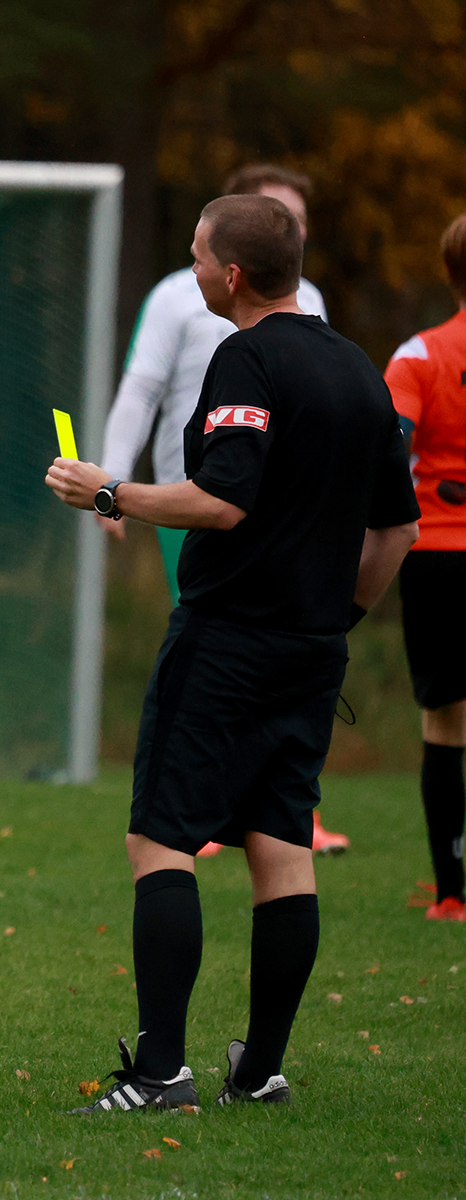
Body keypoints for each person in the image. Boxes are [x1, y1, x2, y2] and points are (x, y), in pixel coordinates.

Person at [46, 193, 419, 1111]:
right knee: (283, 849)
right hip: (311, 651)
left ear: (235, 275)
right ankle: (260, 1072)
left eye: (199, 256)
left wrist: (111, 493)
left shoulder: (244, 356)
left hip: (227, 640)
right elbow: (397, 526)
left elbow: (223, 501)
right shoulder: (357, 368)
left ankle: (163, 1071)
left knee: (162, 840)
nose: (195, 269)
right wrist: (341, 617)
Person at [102, 164, 350, 857]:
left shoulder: (313, 307)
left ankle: (285, 812)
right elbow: (142, 387)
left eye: (297, 218)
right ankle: (204, 812)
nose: (289, 228)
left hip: (290, 519)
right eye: (277, 213)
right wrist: (113, 481)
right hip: (198, 500)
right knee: (218, 651)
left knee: (280, 657)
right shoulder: (180, 297)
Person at [383, 213, 466, 923]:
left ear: (448, 272)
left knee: (444, 720)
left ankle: (451, 893)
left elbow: (388, 451)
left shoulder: (418, 356)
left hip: (438, 551)